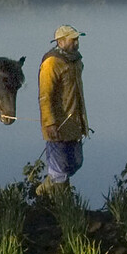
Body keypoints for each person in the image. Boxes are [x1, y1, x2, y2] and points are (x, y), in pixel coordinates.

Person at [38, 24, 88, 192]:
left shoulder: (76, 60)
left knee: (75, 162)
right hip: (57, 124)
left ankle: (46, 187)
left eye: (77, 39)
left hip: (73, 122)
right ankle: (60, 202)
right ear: (60, 42)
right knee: (59, 169)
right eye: (73, 40)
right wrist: (49, 123)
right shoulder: (51, 63)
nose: (77, 43)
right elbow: (45, 96)